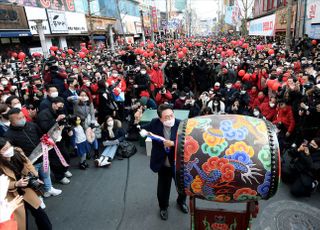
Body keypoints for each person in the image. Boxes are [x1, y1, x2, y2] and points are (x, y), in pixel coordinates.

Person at [138, 104, 188, 220]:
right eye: (166, 117)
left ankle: (181, 202)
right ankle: (163, 207)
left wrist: (174, 143)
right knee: (163, 188)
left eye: (171, 115)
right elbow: (143, 128)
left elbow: (188, 141)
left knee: (182, 186)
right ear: (160, 118)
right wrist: (139, 125)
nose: (170, 119)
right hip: (163, 163)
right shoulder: (154, 123)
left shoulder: (181, 124)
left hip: (178, 163)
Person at [4, 108, 62, 198]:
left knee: (46, 175)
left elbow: (41, 136)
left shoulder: (32, 125)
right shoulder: (8, 135)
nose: (22, 119)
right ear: (11, 121)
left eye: (23, 117)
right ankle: (39, 198)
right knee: (34, 181)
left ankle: (49, 189)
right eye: (19, 118)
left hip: (42, 157)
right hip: (28, 163)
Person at [0, 138, 52, 230]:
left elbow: (28, 164)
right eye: (5, 149)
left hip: (26, 188)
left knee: (40, 213)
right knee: (22, 220)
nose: (9, 150)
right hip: (11, 195)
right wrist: (16, 184)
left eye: (9, 146)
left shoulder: (17, 152)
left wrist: (35, 177)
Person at [36, 97, 72, 184]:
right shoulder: (43, 114)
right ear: (54, 103)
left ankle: (64, 169)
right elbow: (44, 127)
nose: (62, 107)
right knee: (55, 160)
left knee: (65, 155)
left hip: (59, 138)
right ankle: (60, 176)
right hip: (48, 141)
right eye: (60, 105)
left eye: (63, 105)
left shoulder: (58, 111)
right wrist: (56, 120)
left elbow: (63, 123)